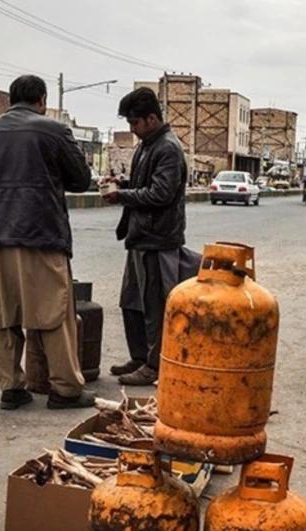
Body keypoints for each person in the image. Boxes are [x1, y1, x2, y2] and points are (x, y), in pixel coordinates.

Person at [0, 75, 95, 410]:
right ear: (42, 99)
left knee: (3, 317)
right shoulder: (54, 131)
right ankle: (64, 389)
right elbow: (80, 180)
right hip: (41, 236)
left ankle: (11, 388)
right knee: (52, 314)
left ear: (11, 99)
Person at [104, 87, 198, 387]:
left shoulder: (167, 148)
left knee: (155, 306)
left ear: (152, 118)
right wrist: (122, 184)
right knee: (132, 302)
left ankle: (154, 365)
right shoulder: (147, 145)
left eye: (135, 122)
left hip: (158, 239)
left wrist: (122, 195)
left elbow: (160, 193)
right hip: (140, 236)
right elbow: (145, 183)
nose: (131, 129)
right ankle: (140, 356)